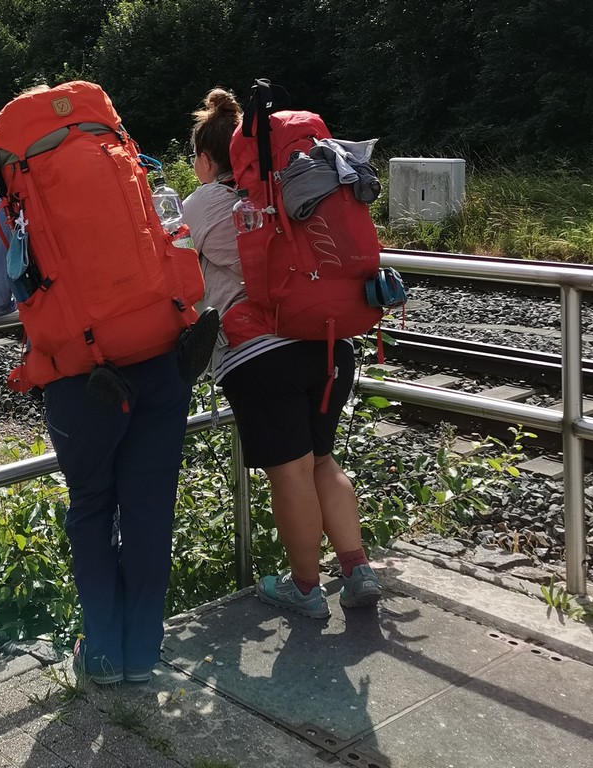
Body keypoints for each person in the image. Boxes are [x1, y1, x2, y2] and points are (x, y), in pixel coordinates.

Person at [0, 196, 193, 683]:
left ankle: (104, 655)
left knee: (92, 506)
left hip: (81, 377)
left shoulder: (10, 198)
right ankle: (141, 654)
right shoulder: (121, 165)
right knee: (149, 509)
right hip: (158, 357)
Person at [182, 87, 380, 619]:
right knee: (321, 460)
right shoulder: (290, 192)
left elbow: (175, 264)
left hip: (261, 358)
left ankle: (306, 588)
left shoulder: (203, 203)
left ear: (206, 159)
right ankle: (358, 569)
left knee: (289, 472)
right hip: (330, 345)